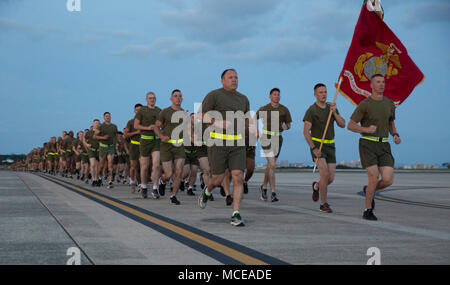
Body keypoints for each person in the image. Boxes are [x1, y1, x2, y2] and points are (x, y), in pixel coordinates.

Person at [199, 69, 250, 227]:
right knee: (217, 179)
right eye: (230, 77)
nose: (234, 80)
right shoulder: (214, 95)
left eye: (236, 77)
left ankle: (236, 213)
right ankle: (207, 192)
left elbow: (246, 120)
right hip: (218, 143)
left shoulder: (243, 99)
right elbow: (201, 115)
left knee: (238, 176)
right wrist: (215, 122)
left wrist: (254, 130)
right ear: (222, 80)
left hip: (237, 143)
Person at [347, 74, 401, 221]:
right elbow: (350, 125)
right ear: (371, 85)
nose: (381, 84)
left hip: (384, 144)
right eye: (378, 82)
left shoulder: (389, 103)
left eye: (383, 82)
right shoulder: (365, 104)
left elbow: (390, 122)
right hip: (367, 144)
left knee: (388, 180)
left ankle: (368, 190)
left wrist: (395, 134)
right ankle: (367, 210)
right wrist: (365, 129)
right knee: (373, 177)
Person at [303, 83, 345, 213]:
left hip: (330, 145)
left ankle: (316, 186)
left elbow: (342, 124)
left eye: (325, 92)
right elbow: (306, 132)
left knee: (330, 178)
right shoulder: (312, 110)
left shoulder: (331, 107)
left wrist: (335, 113)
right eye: (320, 92)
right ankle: (324, 204)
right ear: (315, 95)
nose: (324, 94)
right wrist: (314, 148)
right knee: (324, 174)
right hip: (317, 145)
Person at [256, 88, 292, 202]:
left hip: (278, 138)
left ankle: (264, 187)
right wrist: (258, 133)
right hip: (266, 137)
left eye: (278, 95)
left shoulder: (284, 109)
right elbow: (252, 119)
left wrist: (286, 127)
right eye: (274, 94)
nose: (277, 96)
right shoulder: (264, 108)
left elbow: (289, 124)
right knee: (272, 164)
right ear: (270, 96)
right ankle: (273, 193)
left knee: (269, 165)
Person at [154, 89, 188, 205]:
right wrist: (161, 136)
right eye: (176, 96)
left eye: (180, 96)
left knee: (179, 172)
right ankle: (162, 181)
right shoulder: (165, 112)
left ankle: (173, 195)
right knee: (168, 174)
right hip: (166, 145)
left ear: (182, 99)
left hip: (179, 145)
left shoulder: (184, 113)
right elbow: (156, 127)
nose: (178, 98)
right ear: (171, 99)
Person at [134, 92, 162, 199]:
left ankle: (155, 188)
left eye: (154, 98)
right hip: (145, 140)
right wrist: (148, 128)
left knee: (156, 165)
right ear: (146, 99)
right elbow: (136, 125)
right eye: (150, 98)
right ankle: (144, 186)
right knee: (144, 167)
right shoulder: (142, 110)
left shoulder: (159, 110)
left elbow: (163, 123)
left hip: (156, 141)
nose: (152, 100)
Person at [94, 112, 118, 189]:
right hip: (103, 147)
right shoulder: (101, 127)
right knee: (101, 165)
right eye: (106, 116)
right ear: (104, 117)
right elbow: (95, 136)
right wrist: (103, 138)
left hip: (111, 147)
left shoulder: (114, 126)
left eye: (109, 116)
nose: (108, 117)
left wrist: (116, 145)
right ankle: (99, 178)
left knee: (110, 164)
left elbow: (116, 136)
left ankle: (110, 181)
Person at [124, 104, 143, 193]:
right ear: (134, 111)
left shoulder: (145, 122)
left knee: (143, 166)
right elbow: (125, 135)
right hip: (134, 146)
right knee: (133, 166)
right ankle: (132, 182)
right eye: (137, 110)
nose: (139, 111)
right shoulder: (130, 122)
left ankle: (141, 184)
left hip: (144, 146)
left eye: (141, 110)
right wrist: (136, 132)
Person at [84, 120, 100, 186]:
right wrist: (87, 145)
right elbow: (84, 140)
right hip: (91, 150)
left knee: (97, 166)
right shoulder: (89, 133)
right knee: (92, 164)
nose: (97, 124)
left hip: (99, 150)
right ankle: (93, 179)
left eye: (98, 123)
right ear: (93, 124)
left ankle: (96, 179)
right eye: (95, 123)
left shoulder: (101, 132)